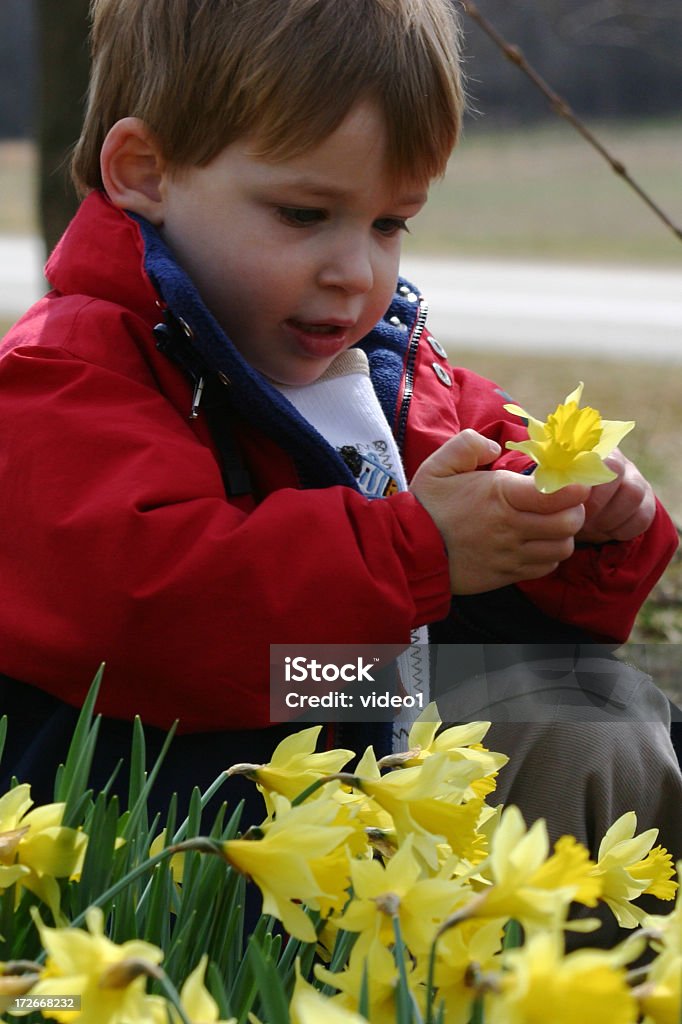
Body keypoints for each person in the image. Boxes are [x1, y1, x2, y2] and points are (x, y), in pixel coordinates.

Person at [0, 0, 679, 838]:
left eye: (390, 222)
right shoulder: (68, 375)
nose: (357, 272)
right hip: (186, 797)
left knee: (598, 714)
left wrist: (582, 524)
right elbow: (145, 618)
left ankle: (568, 969)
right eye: (303, 214)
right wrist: (420, 549)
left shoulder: (378, 374)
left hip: (350, 693)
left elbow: (498, 532)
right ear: (145, 171)